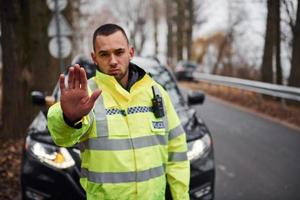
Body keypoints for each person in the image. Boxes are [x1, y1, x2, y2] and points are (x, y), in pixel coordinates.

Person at [47, 23, 190, 200]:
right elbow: (62, 137)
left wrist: (181, 197)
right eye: (104, 54)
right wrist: (69, 118)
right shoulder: (87, 96)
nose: (113, 61)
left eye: (119, 52)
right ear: (94, 58)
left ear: (130, 52)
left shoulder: (157, 92)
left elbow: (177, 150)